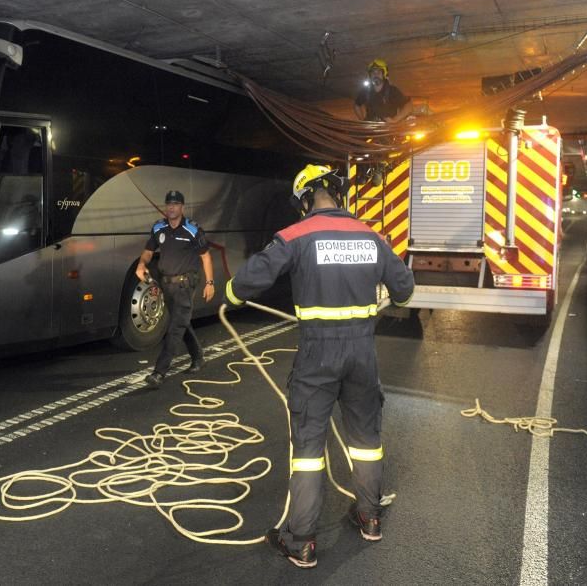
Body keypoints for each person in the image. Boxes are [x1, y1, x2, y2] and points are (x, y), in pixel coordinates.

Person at [225, 164, 414, 569]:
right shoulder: (371, 237)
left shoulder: (296, 236)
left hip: (317, 355)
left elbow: (243, 284)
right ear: (337, 194)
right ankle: (370, 516)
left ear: (306, 199)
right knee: (366, 439)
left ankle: (302, 540)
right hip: (363, 351)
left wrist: (230, 295)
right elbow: (404, 290)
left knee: (308, 449)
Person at [136, 190, 215, 389]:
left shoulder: (192, 230)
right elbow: (147, 251)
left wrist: (210, 283)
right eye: (168, 204)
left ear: (182, 207)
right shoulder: (159, 228)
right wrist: (141, 264)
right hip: (167, 284)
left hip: (185, 284)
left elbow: (206, 257)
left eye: (175, 204)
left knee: (174, 328)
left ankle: (159, 372)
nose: (171, 207)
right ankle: (198, 357)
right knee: (181, 322)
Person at [353, 58, 413, 124]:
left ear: (384, 74)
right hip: (371, 127)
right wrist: (363, 121)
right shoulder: (366, 91)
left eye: (378, 72)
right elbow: (357, 105)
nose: (375, 75)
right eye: (373, 72)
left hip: (388, 128)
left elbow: (408, 106)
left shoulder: (392, 91)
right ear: (370, 75)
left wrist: (395, 120)